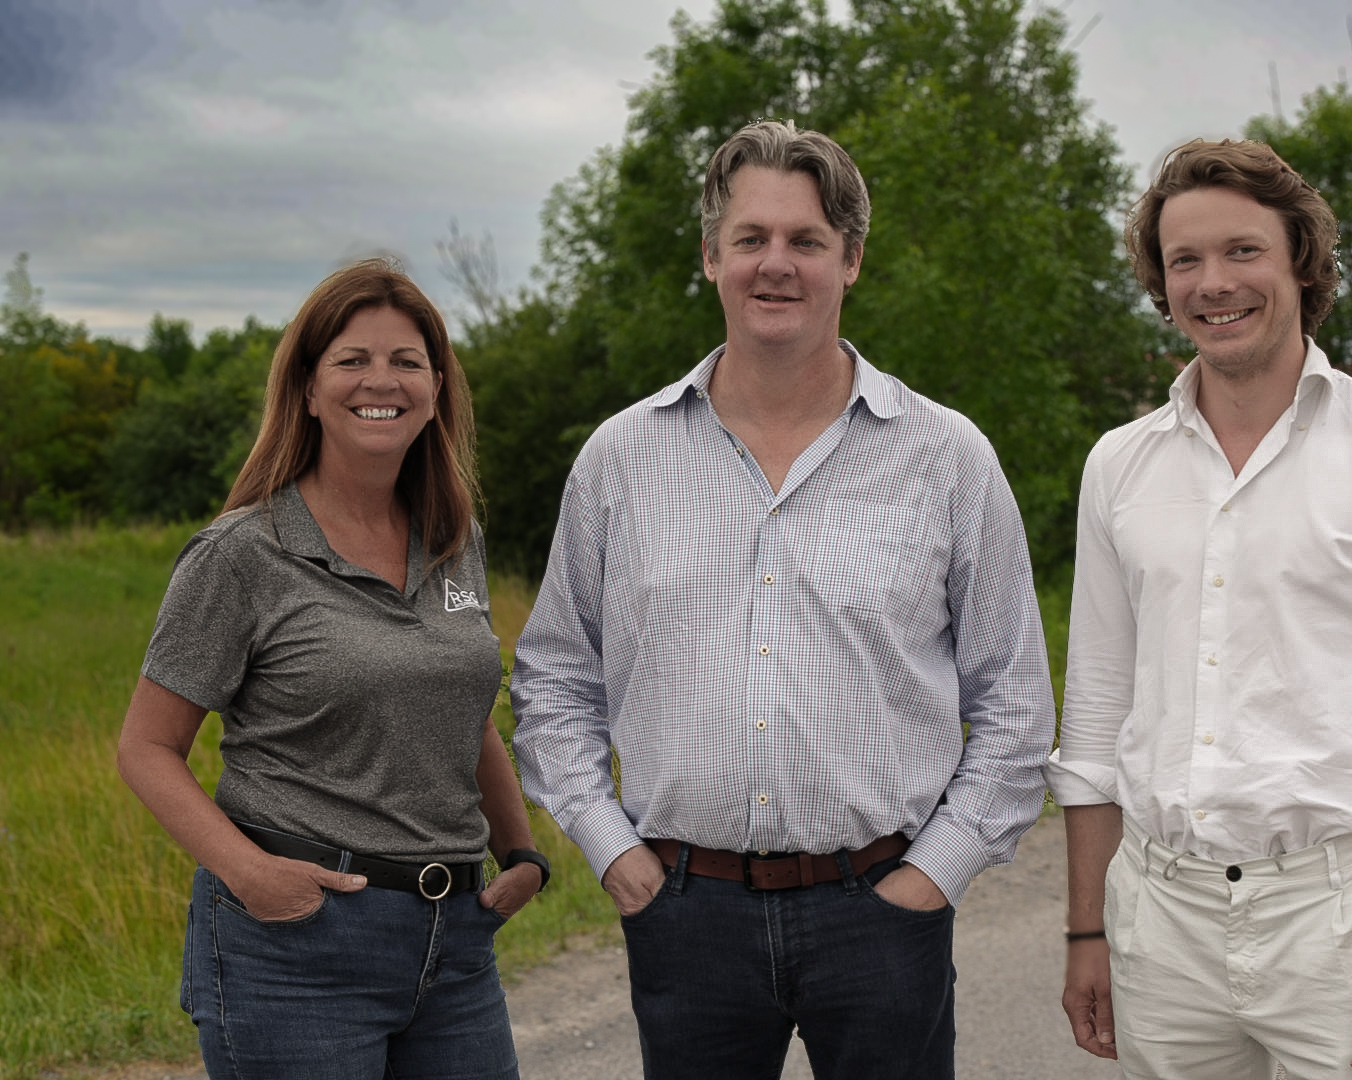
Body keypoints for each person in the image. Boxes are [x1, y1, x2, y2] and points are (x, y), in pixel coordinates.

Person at [509, 120, 1056, 1079]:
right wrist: (614, 851)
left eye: (806, 240)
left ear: (850, 260)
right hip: (685, 913)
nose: (777, 265)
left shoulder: (946, 457)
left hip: (884, 908)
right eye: (751, 238)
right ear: (711, 255)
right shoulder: (621, 460)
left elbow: (1014, 702)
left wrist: (934, 875)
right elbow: (554, 677)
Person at [1045, 139, 1352, 1080]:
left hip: (1336, 919)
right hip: (1159, 914)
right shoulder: (1119, 467)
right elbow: (1095, 722)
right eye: (1185, 260)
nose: (1213, 283)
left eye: (1242, 251)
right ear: (1161, 280)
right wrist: (1087, 929)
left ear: (1302, 257)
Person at [117, 259, 548, 1080]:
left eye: (406, 362)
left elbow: (458, 713)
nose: (379, 380)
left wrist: (522, 851)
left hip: (454, 942)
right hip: (297, 948)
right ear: (309, 389)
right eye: (352, 360)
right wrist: (251, 875)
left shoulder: (456, 544)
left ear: (435, 390)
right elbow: (146, 748)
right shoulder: (242, 553)